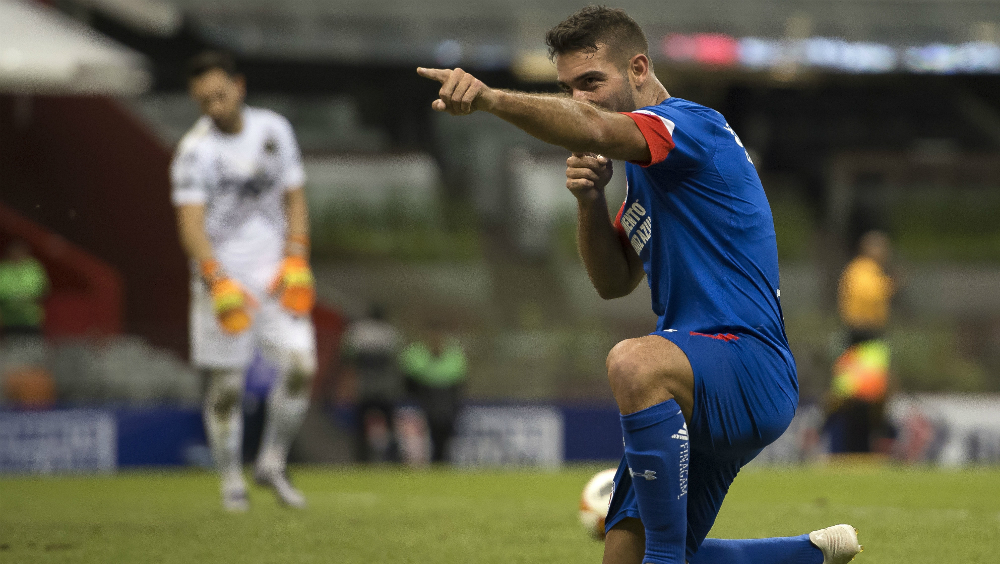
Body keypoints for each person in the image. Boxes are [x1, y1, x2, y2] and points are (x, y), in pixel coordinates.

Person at [418, 7, 860, 564]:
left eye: (591, 82)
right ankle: (807, 555)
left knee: (633, 363)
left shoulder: (691, 126)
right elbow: (613, 282)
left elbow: (598, 129)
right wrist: (588, 204)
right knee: (625, 556)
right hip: (693, 381)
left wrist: (490, 100)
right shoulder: (642, 178)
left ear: (639, 67)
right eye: (568, 88)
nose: (580, 100)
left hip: (747, 364)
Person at [171, 51, 317, 512]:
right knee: (228, 386)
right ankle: (231, 479)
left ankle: (272, 462)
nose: (214, 107)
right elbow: (191, 223)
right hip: (223, 279)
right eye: (203, 101)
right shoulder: (194, 152)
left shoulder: (274, 130)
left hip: (275, 274)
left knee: (301, 367)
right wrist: (215, 279)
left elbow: (295, 197)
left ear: (240, 86)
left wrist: (296, 257)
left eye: (220, 95)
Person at [826, 231, 895, 453]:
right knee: (857, 392)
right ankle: (837, 436)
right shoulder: (862, 271)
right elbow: (871, 295)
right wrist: (890, 285)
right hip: (862, 339)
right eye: (881, 247)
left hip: (866, 339)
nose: (885, 252)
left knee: (860, 392)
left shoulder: (866, 271)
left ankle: (866, 440)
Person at [341, 304, 404, 462]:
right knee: (389, 425)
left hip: (365, 385)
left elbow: (347, 357)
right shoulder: (389, 332)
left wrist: (348, 383)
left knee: (362, 427)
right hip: (384, 386)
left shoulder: (358, 331)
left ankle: (362, 459)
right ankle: (393, 458)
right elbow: (397, 360)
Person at [400, 323, 467, 463]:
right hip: (425, 400)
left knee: (442, 438)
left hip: (445, 402)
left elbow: (459, 381)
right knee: (421, 440)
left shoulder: (453, 356)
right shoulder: (416, 354)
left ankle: (440, 464)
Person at [0, 240, 49, 338]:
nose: (17, 254)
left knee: (31, 348)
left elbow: (42, 288)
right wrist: (12, 297)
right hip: (9, 319)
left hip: (31, 319)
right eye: (14, 251)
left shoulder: (34, 268)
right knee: (11, 349)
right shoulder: (3, 269)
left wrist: (26, 296)